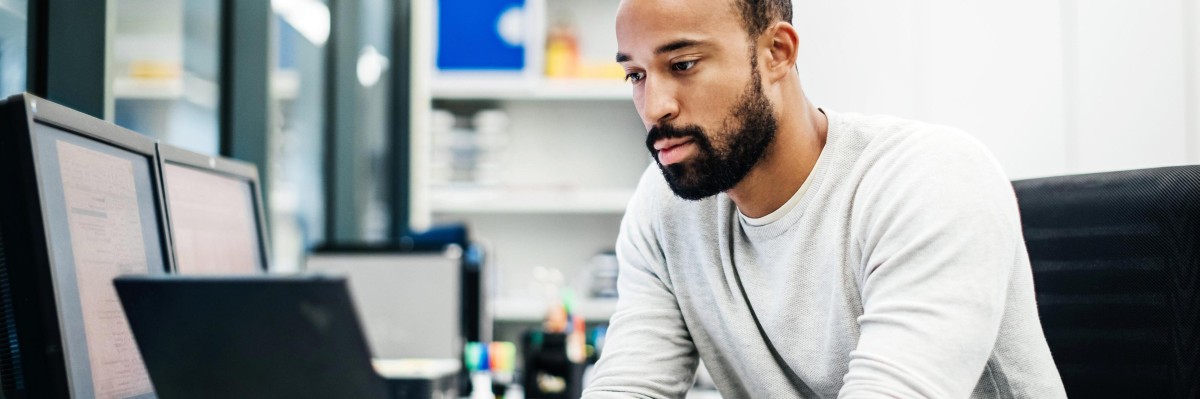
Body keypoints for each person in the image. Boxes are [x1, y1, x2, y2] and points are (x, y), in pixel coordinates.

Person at [583, 0, 1068, 397]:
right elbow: (628, 386)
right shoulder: (666, 206)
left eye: (683, 65)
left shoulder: (930, 179)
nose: (654, 107)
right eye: (636, 75)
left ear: (777, 52)